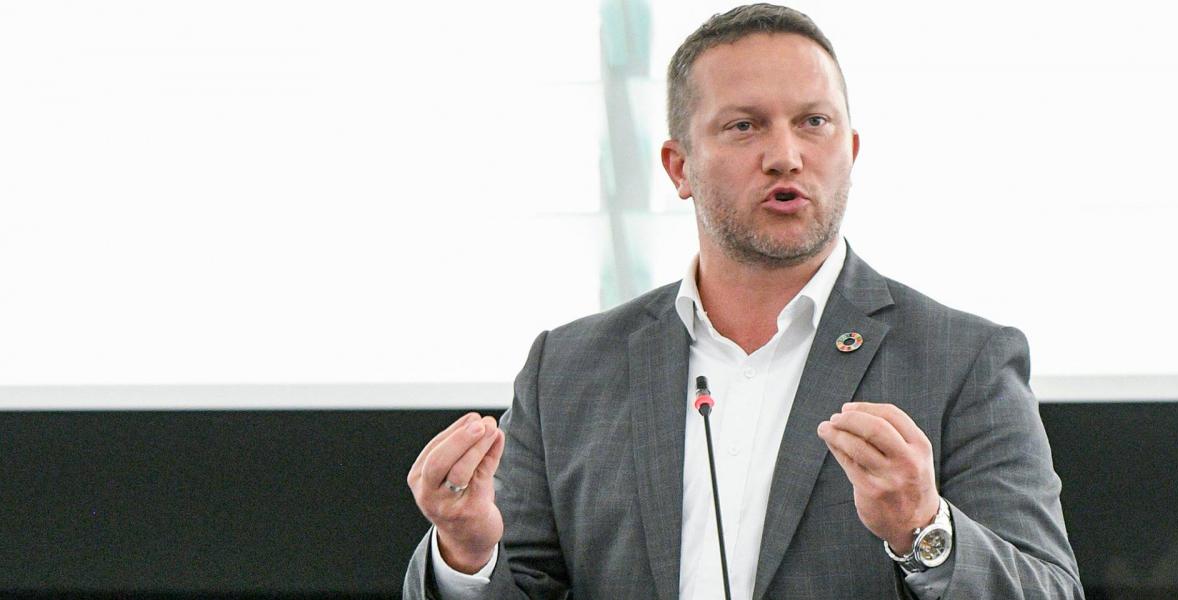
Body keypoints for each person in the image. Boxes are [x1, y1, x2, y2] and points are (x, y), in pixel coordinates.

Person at [404, 4, 1084, 599]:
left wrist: (925, 530)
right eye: (744, 126)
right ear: (679, 167)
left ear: (850, 151)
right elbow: (519, 583)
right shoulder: (569, 370)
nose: (786, 155)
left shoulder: (961, 360)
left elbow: (1049, 589)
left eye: (813, 122)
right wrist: (465, 551)